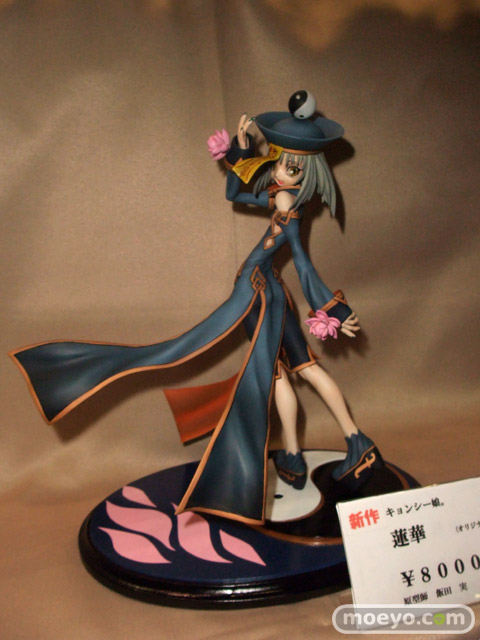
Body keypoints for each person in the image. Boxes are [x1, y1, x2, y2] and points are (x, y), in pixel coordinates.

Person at [10, 91, 382, 526]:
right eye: (280, 160)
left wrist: (330, 308)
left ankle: (341, 445)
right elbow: (236, 194)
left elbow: (301, 260)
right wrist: (240, 154)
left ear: (310, 173)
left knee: (242, 365)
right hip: (267, 292)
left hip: (258, 295)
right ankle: (312, 453)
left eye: (292, 167)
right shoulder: (281, 195)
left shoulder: (287, 203)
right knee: (290, 371)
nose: (281, 169)